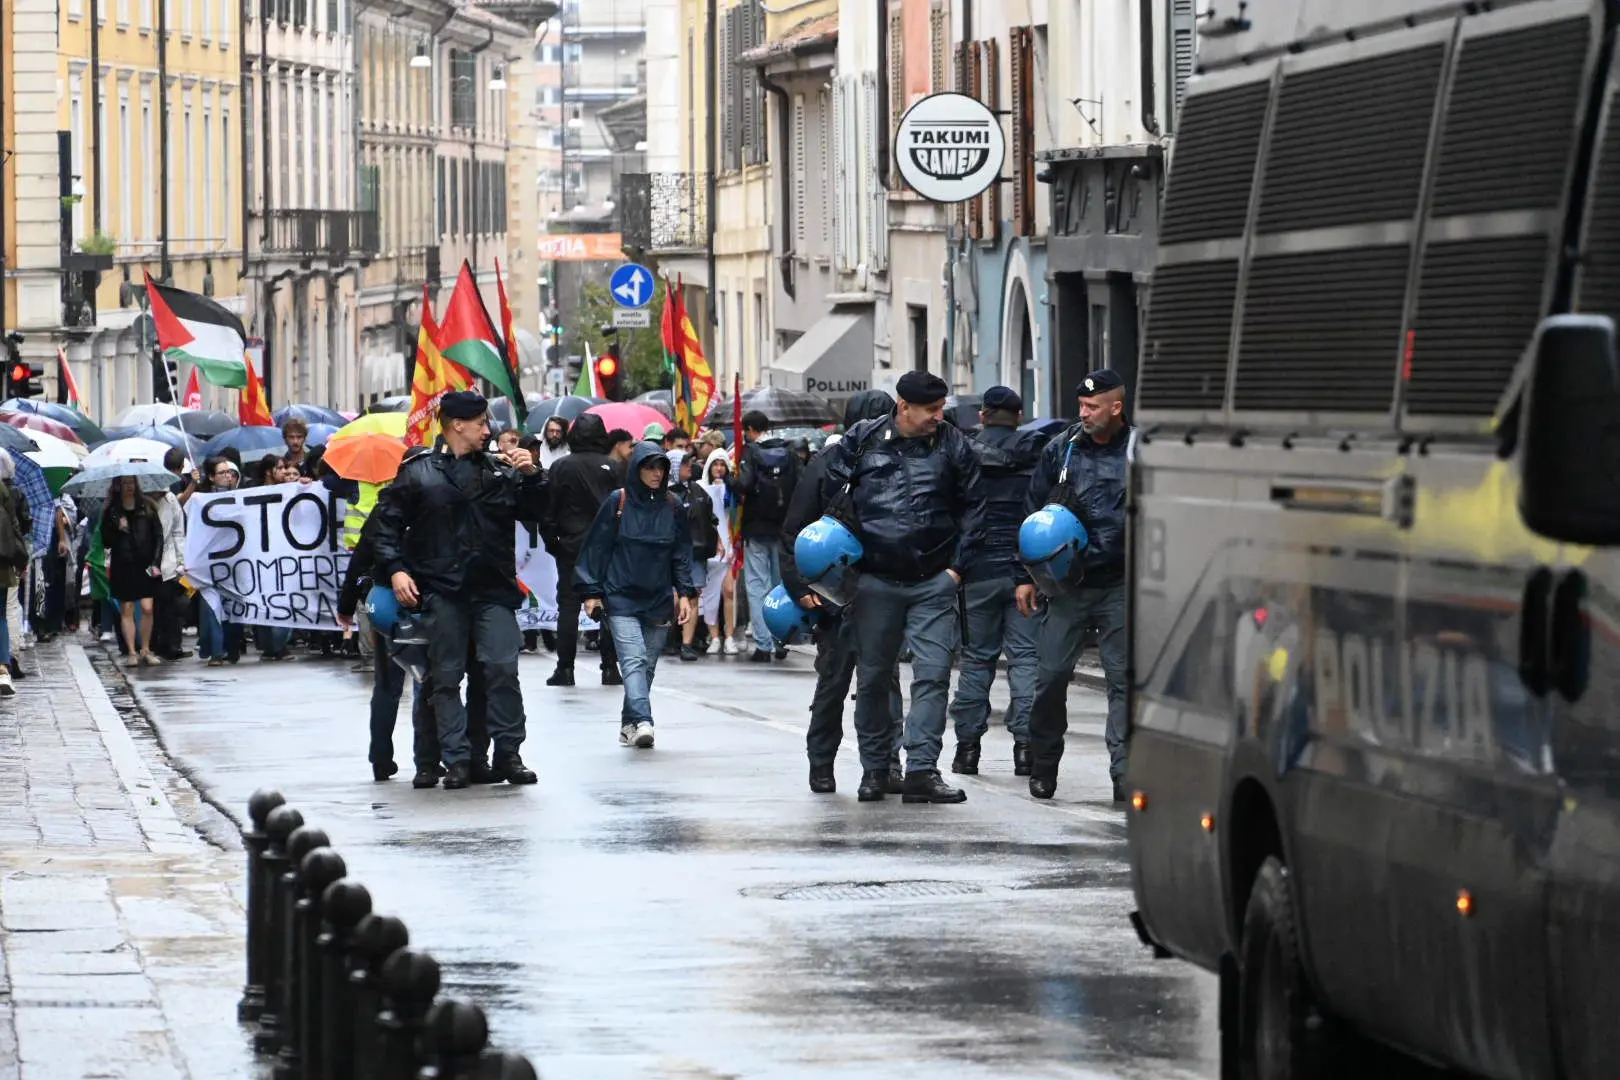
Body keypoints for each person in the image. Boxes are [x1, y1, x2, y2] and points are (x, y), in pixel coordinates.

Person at [817, 370, 986, 804]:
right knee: (873, 679)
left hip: (934, 581)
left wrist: (956, 570)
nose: (938, 416)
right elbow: (828, 499)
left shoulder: (953, 443)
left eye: (941, 407)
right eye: (931, 410)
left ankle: (923, 771)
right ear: (903, 406)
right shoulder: (862, 439)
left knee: (932, 678)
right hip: (875, 582)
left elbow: (974, 507)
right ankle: (875, 770)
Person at [370, 390, 546, 789]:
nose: (489, 430)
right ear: (457, 425)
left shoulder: (500, 470)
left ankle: (508, 753)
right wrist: (396, 570)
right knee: (445, 678)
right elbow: (386, 526)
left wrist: (534, 476)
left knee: (502, 669)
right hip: (444, 590)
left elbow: (537, 513)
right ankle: (457, 759)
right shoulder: (419, 473)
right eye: (482, 423)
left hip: (493, 589)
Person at [779, 390, 907, 794]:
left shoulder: (898, 464)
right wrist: (801, 588)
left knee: (881, 684)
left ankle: (886, 765)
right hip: (835, 596)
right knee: (836, 684)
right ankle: (824, 763)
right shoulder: (826, 466)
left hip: (880, 590)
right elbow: (794, 531)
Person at [1020, 369, 1135, 803]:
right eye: (1081, 406)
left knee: (1124, 680)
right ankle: (1044, 765)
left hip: (1121, 583)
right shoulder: (1061, 450)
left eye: (1092, 407)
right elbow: (1032, 513)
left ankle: (1125, 773)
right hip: (1067, 585)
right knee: (1050, 677)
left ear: (1116, 408)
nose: (1083, 413)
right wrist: (1024, 577)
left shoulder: (1140, 450)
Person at [948, 386, 1050, 778]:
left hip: (976, 571)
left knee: (976, 660)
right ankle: (1025, 749)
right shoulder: (1039, 455)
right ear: (1019, 415)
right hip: (1026, 571)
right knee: (1026, 660)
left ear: (984, 415)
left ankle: (967, 750)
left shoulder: (964, 455)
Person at [575, 442, 697, 749]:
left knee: (647, 666)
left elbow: (681, 554)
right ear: (636, 469)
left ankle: (629, 723)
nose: (657, 474)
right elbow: (597, 547)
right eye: (649, 467)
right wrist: (592, 593)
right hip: (621, 597)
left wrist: (684, 592)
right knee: (633, 661)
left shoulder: (673, 505)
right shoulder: (619, 501)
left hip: (658, 598)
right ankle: (644, 721)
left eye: (661, 468)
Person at [541, 412, 623, 686]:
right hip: (606, 546)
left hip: (571, 545)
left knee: (568, 606)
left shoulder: (561, 467)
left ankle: (565, 669)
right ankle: (610, 668)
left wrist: (553, 542)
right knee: (610, 607)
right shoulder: (613, 467)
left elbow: (549, 509)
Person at [730, 410, 801, 662]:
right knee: (779, 586)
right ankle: (781, 639)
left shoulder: (752, 452)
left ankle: (763, 644)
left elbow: (745, 484)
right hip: (783, 529)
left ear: (749, 429)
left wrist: (730, 480)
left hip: (756, 528)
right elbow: (800, 485)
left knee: (757, 586)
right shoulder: (789, 452)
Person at [102, 476, 162, 668]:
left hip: (145, 565)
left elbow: (158, 537)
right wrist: (118, 528)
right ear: (118, 486)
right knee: (126, 608)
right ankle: (131, 650)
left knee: (147, 608)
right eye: (125, 483)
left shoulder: (148, 507)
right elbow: (106, 541)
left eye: (132, 482)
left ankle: (146, 648)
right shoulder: (112, 511)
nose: (129, 487)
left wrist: (156, 562)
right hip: (123, 565)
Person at [668, 449, 719, 662]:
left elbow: (711, 518)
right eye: (684, 463)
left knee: (693, 594)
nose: (690, 466)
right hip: (668, 552)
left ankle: (686, 644)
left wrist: (716, 541)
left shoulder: (698, 490)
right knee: (673, 596)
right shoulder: (663, 494)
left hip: (696, 552)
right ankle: (670, 635)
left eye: (690, 463)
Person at [196, 457, 245, 665]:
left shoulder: (243, 497)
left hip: (236, 563)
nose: (228, 476)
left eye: (230, 472)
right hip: (210, 565)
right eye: (222, 472)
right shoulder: (201, 500)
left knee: (234, 607)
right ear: (212, 477)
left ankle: (231, 648)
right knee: (212, 606)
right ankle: (216, 652)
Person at [152, 448, 192, 662]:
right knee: (154, 606)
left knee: (171, 604)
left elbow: (178, 532)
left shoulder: (170, 501)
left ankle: (171, 645)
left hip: (167, 561)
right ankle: (154, 644)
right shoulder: (146, 503)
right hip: (149, 561)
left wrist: (181, 561)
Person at [698, 449, 739, 654]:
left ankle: (729, 636)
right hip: (710, 547)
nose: (719, 468)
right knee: (709, 594)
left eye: (723, 464)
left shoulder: (732, 491)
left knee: (729, 591)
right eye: (716, 464)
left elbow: (735, 517)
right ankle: (714, 636)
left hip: (729, 547)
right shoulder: (700, 488)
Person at [0, 456, 31, 695]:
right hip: (3, 563)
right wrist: (20, 557)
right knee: (4, 613)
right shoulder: (9, 491)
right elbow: (17, 525)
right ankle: (3, 667)